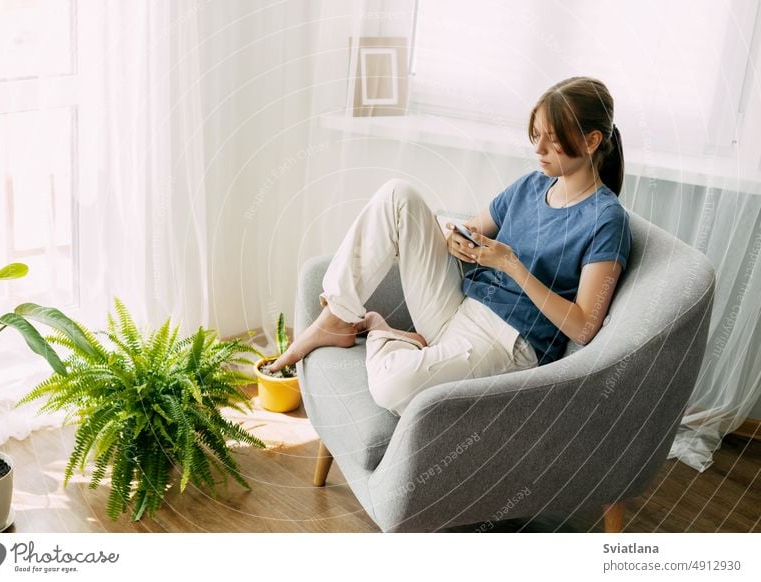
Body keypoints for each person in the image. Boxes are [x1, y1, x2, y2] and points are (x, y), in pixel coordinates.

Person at [269, 76, 632, 416]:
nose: (537, 148)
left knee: (391, 388)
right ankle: (338, 315)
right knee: (398, 194)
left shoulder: (605, 220)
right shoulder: (531, 186)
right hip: (461, 307)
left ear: (591, 141)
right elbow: (472, 226)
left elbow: (584, 326)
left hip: (510, 341)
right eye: (535, 134)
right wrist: (454, 235)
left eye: (551, 139)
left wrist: (512, 266)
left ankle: (384, 332)